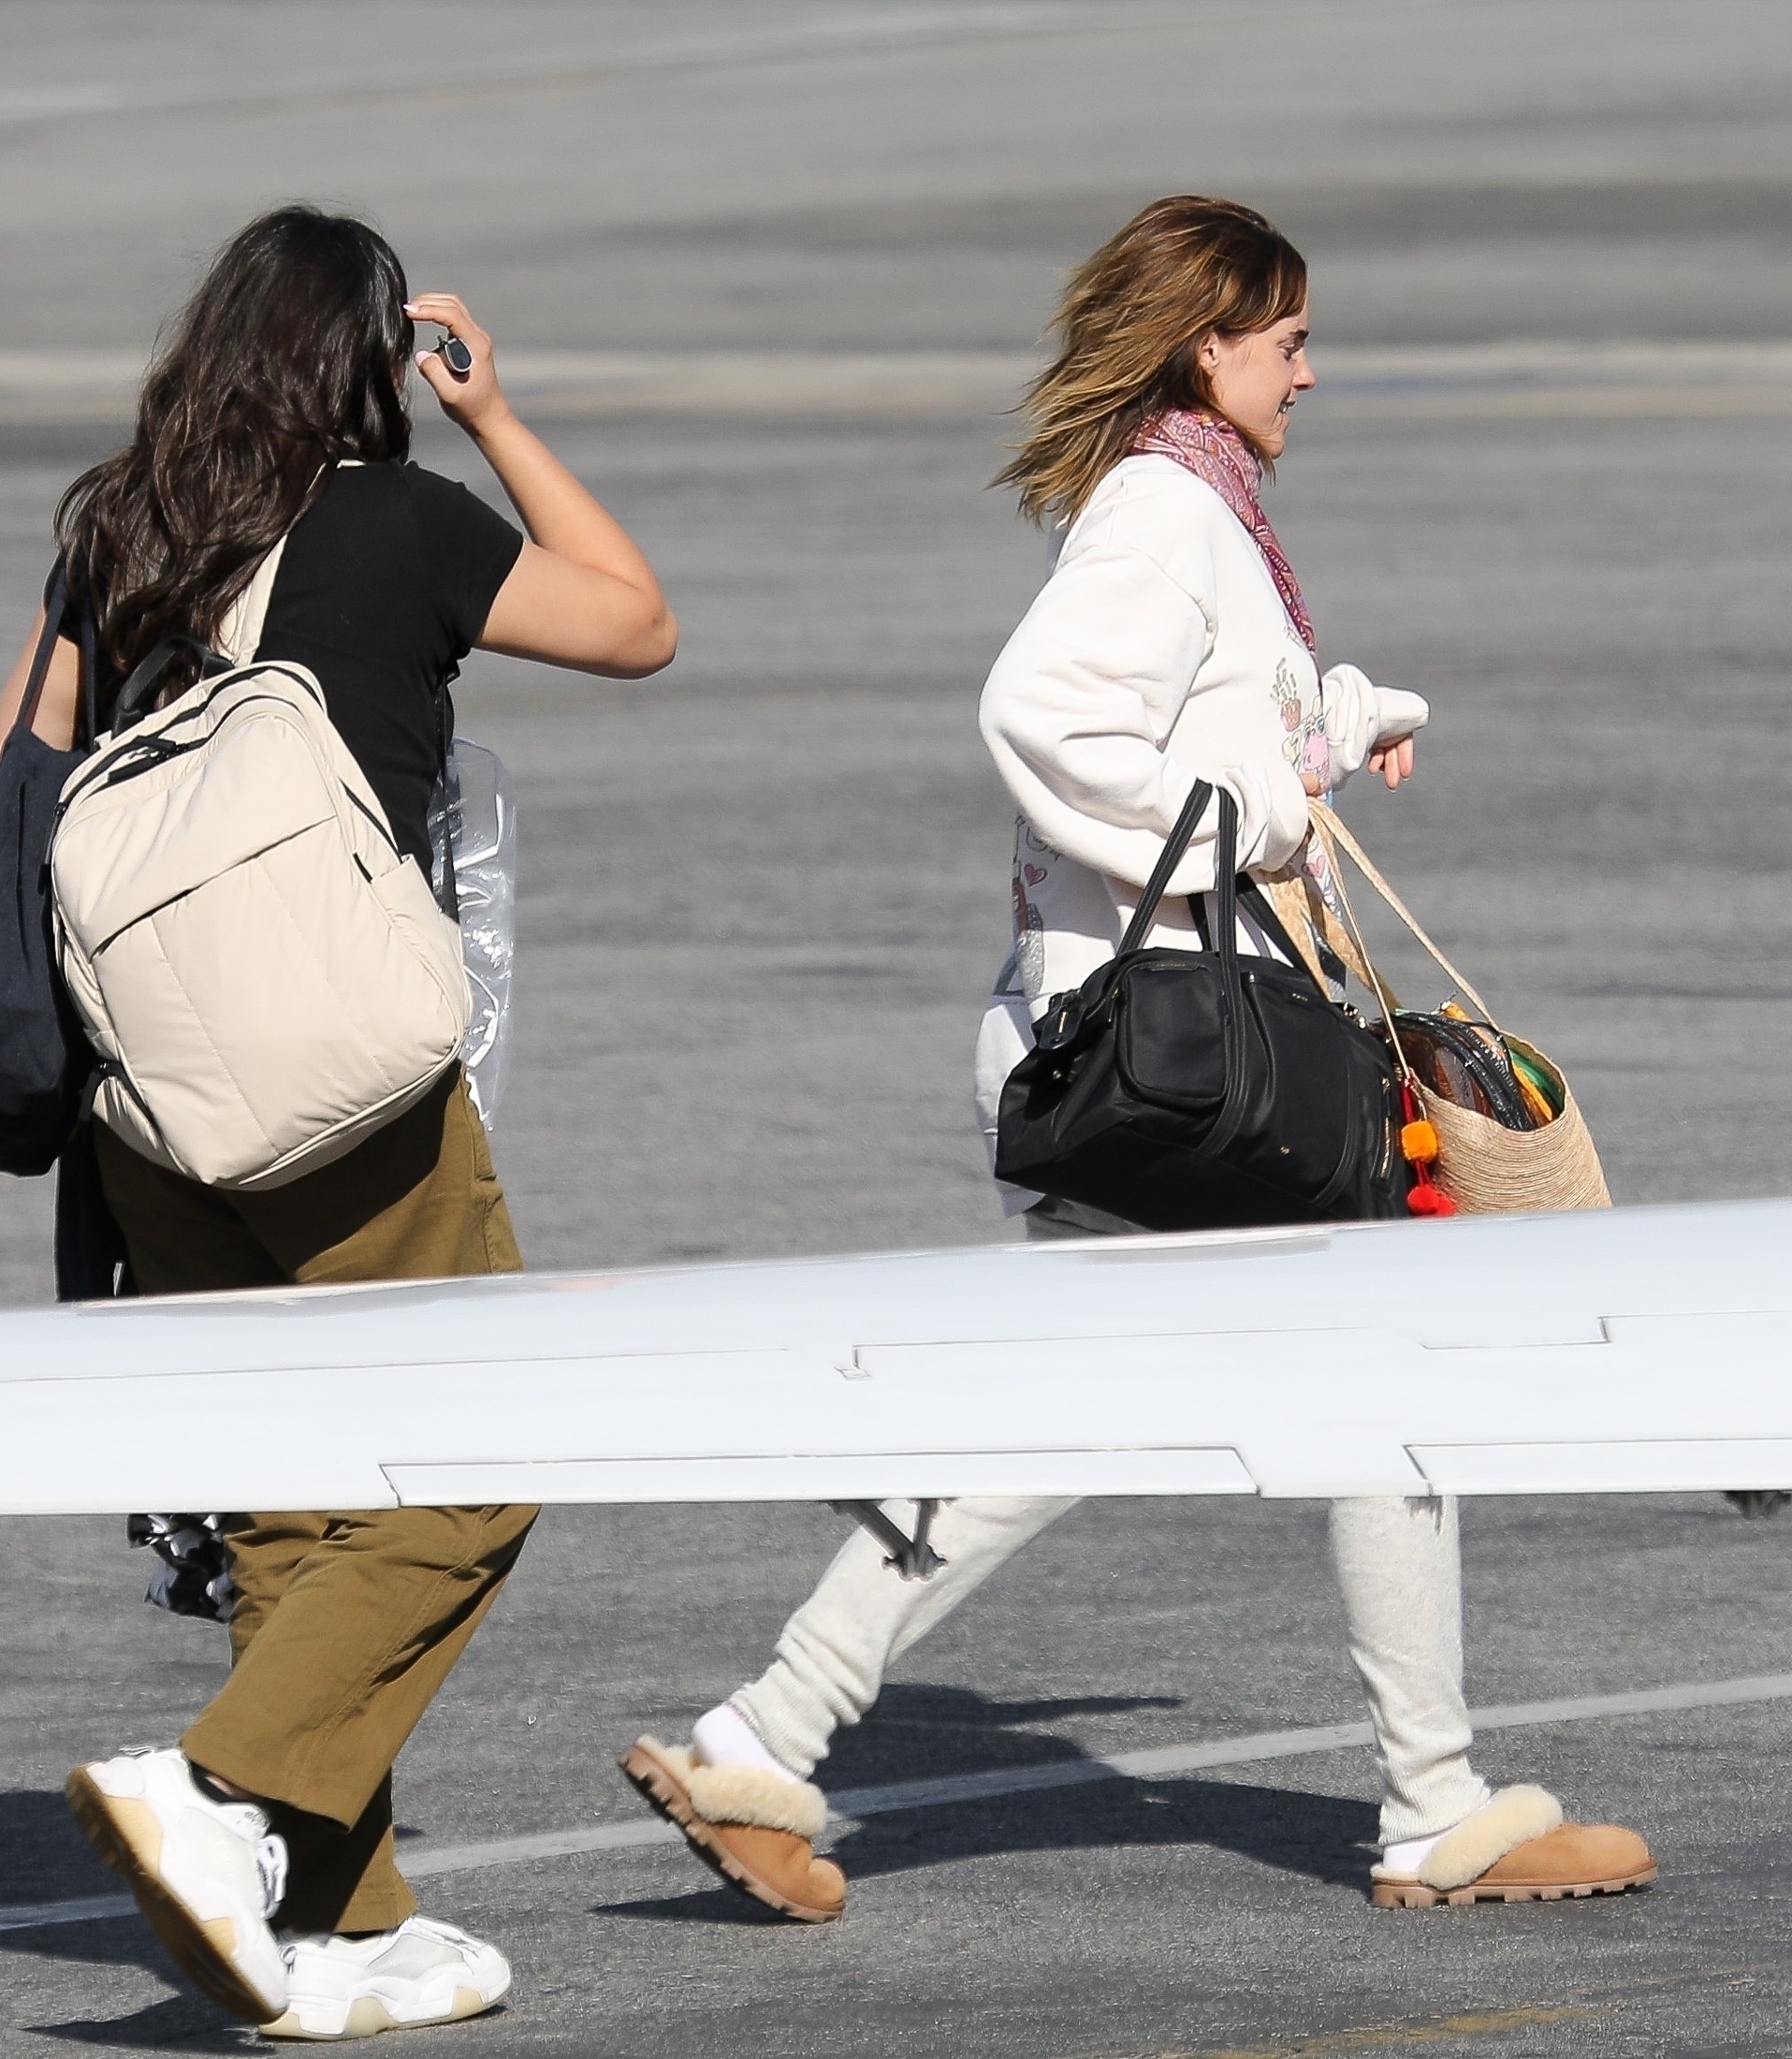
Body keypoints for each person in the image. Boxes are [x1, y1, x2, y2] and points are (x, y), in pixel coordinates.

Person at [619, 195, 1650, 1920]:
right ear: (1206, 343)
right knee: (1340, 1394)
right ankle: (1430, 1809)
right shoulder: (1168, 514)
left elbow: (1213, 715)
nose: (1308, 373)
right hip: (1173, 1056)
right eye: (1288, 341)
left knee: (1173, 1404)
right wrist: (1262, 818)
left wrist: (1350, 717)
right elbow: (1048, 714)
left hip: (1134, 1042)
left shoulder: (1185, 501)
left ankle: (768, 1737)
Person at [0, 206, 674, 2039]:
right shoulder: (401, 522)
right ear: (372, 364)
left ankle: (338, 1922)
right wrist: (496, 415)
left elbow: (14, 781)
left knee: (297, 1501)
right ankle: (218, 1791)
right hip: (343, 1080)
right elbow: (636, 621)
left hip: (149, 1100)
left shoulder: (119, 524)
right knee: (480, 1459)